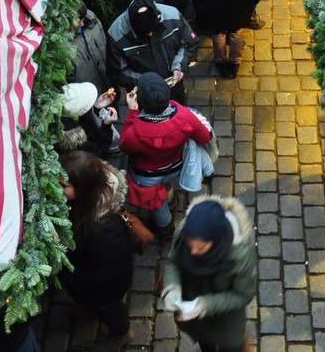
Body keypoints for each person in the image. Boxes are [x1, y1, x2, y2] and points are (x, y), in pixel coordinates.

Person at [58, 151, 134, 352]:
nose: (59, 190)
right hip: (86, 269)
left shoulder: (104, 229)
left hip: (105, 289)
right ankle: (88, 307)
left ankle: (121, 333)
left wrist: (67, 275)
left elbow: (104, 277)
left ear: (83, 187)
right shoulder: (85, 205)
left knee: (109, 309)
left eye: (64, 186)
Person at [119, 73, 211, 237]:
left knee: (157, 204)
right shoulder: (182, 115)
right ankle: (170, 197)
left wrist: (132, 112)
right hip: (175, 165)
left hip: (148, 177)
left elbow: (124, 146)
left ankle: (166, 228)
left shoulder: (136, 132)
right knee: (166, 181)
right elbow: (204, 137)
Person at [162, 196, 257, 352]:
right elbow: (174, 262)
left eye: (201, 247)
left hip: (226, 325)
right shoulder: (183, 232)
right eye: (190, 245)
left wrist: (205, 304)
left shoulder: (240, 256)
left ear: (216, 240)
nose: (193, 252)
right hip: (196, 322)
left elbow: (243, 295)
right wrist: (172, 287)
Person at [106, 0, 198, 106]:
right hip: (145, 95)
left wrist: (179, 66)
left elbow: (189, 44)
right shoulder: (117, 36)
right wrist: (146, 82)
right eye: (145, 33)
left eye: (153, 30)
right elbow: (117, 73)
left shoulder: (173, 16)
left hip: (175, 89)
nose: (150, 35)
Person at [57, 82, 120, 160]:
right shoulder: (75, 140)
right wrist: (106, 125)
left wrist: (96, 107)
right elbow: (100, 152)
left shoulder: (67, 116)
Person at [69, 3, 113, 94]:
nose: (82, 23)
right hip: (88, 96)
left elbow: (104, 42)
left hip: (106, 83)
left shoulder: (92, 19)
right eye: (78, 21)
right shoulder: (63, 46)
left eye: (83, 19)